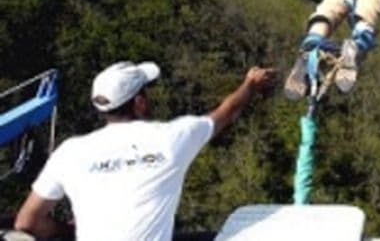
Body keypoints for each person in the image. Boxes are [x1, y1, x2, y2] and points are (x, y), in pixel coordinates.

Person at [14, 61, 278, 240]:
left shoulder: (70, 152)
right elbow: (227, 112)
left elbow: (27, 222)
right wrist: (250, 84)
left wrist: (69, 231)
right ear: (139, 102)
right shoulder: (173, 138)